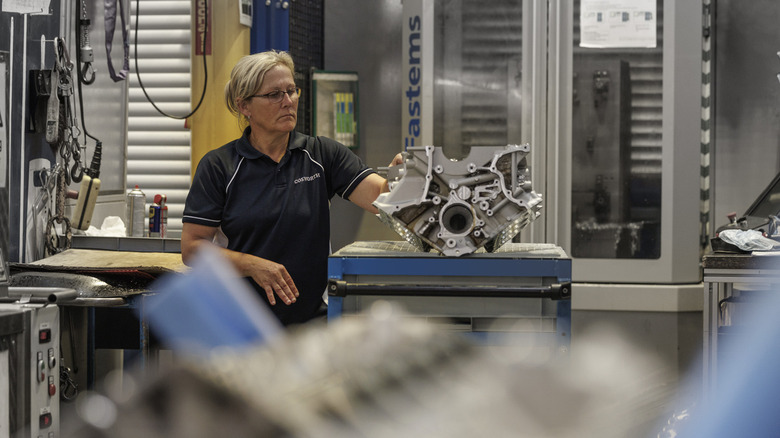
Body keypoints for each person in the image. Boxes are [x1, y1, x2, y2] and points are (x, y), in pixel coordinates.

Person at [181, 50, 400, 326]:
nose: (288, 102)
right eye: (274, 94)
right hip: (242, 323)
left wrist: (403, 179)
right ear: (244, 106)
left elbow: (383, 199)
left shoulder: (321, 155)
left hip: (313, 321)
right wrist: (253, 265)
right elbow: (192, 249)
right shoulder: (219, 167)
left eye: (291, 91)